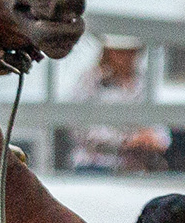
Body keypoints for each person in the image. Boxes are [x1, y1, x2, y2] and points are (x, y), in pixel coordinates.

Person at [67, 36, 171, 172]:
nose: (126, 57)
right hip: (95, 164)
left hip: (135, 167)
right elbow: (81, 128)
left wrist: (154, 138)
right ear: (108, 52)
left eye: (131, 52)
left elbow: (160, 124)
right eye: (120, 52)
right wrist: (127, 140)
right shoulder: (91, 80)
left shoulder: (144, 82)